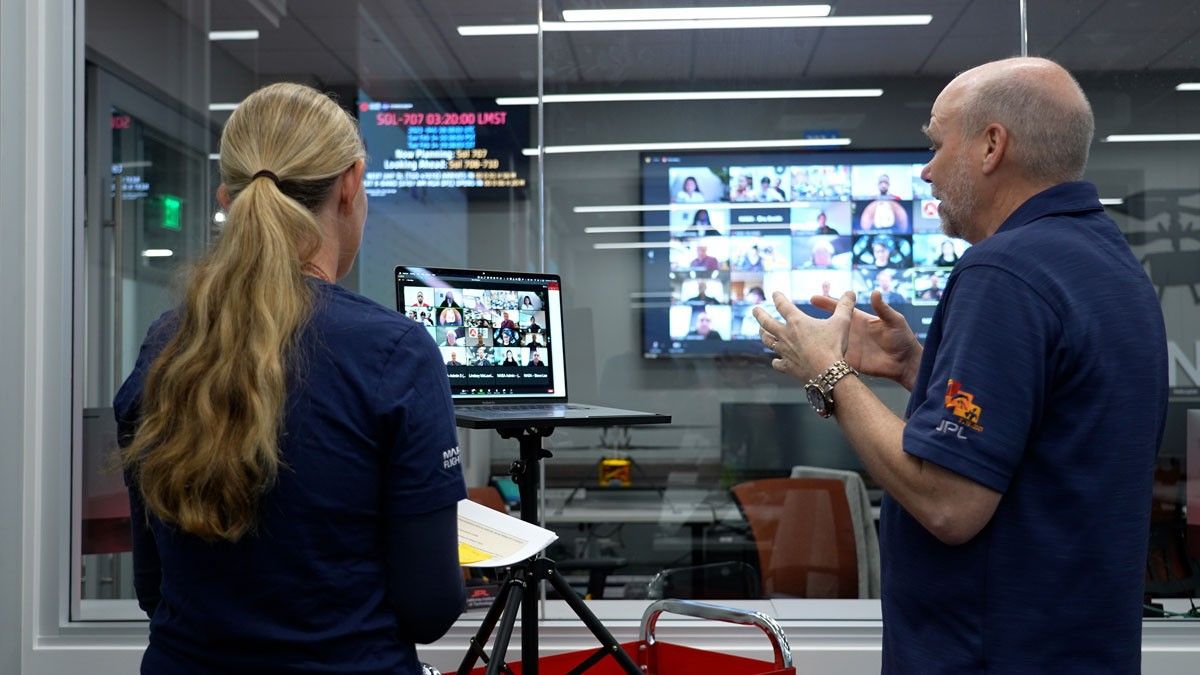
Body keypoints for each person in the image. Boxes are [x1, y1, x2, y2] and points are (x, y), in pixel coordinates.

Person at [753, 58, 1167, 673]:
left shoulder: (1003, 271)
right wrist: (916, 368)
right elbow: (1043, 430)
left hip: (993, 654)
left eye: (936, 143)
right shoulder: (1105, 262)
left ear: (991, 145)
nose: (926, 171)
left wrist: (829, 375)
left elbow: (949, 504)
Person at [115, 83, 465, 674]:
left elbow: (154, 590)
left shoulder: (164, 347)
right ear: (351, 185)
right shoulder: (396, 353)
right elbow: (429, 609)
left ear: (228, 195)